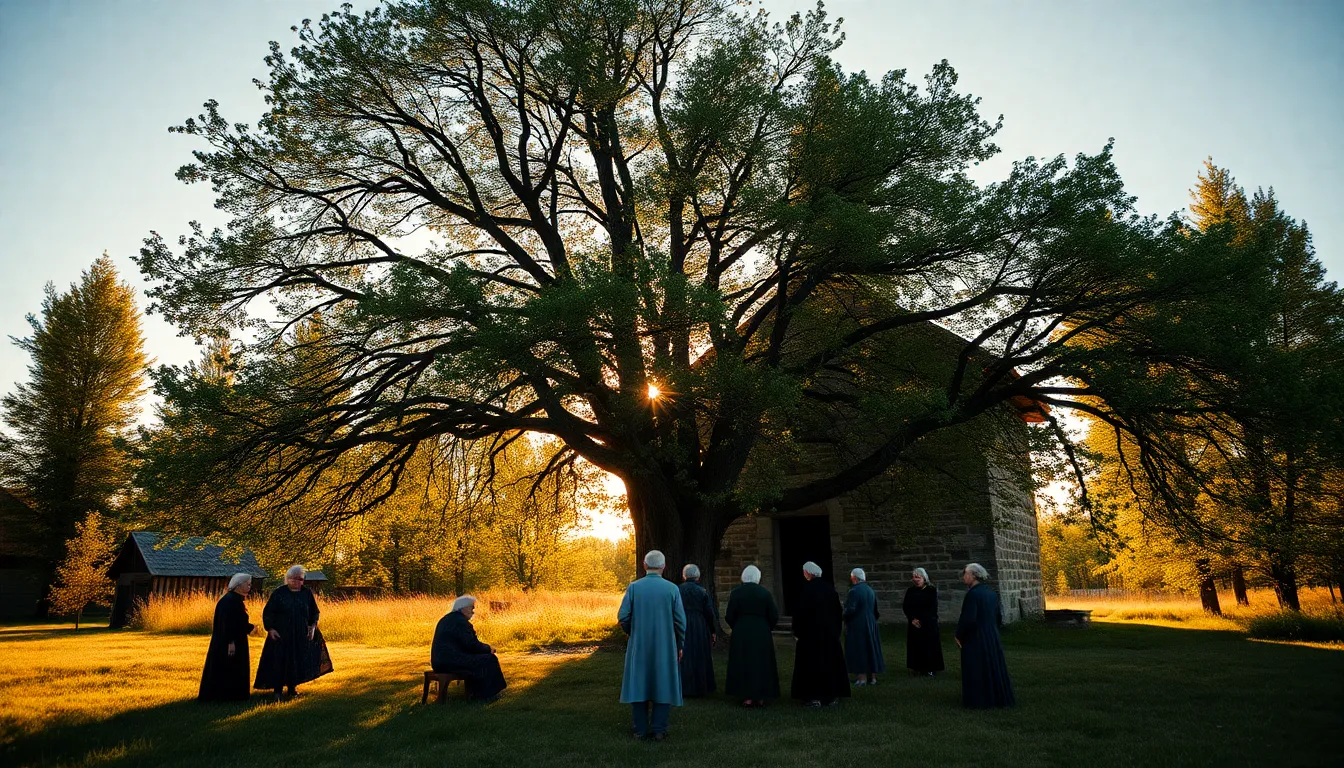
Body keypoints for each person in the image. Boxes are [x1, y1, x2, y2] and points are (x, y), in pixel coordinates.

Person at [617, 550, 686, 741]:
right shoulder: (672, 589)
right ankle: (659, 730)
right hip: (665, 644)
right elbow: (681, 621)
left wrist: (632, 631)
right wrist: (680, 643)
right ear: (664, 566)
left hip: (639, 643)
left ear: (644, 565)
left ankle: (639, 730)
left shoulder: (634, 588)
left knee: (639, 683)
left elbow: (623, 616)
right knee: (663, 682)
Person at [254, 565, 333, 702]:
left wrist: (312, 627)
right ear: (288, 579)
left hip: (300, 634)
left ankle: (292, 689)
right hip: (281, 635)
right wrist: (270, 629)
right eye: (295, 579)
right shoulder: (279, 593)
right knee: (279, 661)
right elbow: (268, 612)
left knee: (296, 660)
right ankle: (277, 691)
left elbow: (314, 612)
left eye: (301, 579)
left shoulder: (306, 593)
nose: (298, 582)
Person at [955, 563, 1015, 708]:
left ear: (973, 575)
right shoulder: (991, 593)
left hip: (976, 636)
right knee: (992, 665)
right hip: (991, 634)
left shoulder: (973, 594)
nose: (963, 576)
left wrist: (959, 634)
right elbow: (998, 616)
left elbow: (969, 619)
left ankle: (978, 700)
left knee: (976, 666)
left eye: (965, 573)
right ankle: (996, 697)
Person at [790, 561, 850, 707]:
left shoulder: (805, 591)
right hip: (828, 635)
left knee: (811, 666)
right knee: (829, 664)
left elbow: (799, 614)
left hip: (810, 636)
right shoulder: (830, 590)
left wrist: (797, 632)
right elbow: (838, 613)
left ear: (807, 573)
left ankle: (813, 697)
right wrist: (836, 631)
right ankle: (831, 696)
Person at [431, 595, 507, 701]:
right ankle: (487, 694)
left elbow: (466, 644)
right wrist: (488, 648)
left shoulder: (447, 619)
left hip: (440, 661)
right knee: (490, 659)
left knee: (480, 659)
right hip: (450, 662)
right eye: (471, 608)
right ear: (463, 608)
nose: (473, 611)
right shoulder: (461, 622)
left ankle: (476, 692)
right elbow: (472, 645)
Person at [724, 564, 780, 708]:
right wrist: (767, 627)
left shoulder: (736, 593)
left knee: (743, 662)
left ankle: (747, 696)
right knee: (761, 663)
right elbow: (773, 614)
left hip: (742, 630)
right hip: (761, 630)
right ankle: (760, 696)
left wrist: (737, 626)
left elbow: (729, 615)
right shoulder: (764, 593)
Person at [198, 573, 256, 702]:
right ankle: (229, 696)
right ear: (238, 586)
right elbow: (229, 624)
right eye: (247, 584)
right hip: (231, 640)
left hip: (231, 639)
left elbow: (238, 622)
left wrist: (249, 627)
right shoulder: (231, 601)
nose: (249, 586)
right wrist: (231, 642)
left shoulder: (232, 600)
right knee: (230, 666)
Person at [677, 564, 719, 697]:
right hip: (699, 624)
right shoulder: (702, 591)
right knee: (700, 654)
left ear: (684, 576)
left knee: (683, 654)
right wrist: (712, 630)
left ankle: (683, 687)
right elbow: (709, 612)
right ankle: (701, 687)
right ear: (698, 576)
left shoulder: (677, 590)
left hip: (681, 623)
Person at [843, 567, 884, 686]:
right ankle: (873, 677)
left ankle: (862, 678)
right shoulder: (870, 590)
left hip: (858, 624)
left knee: (859, 649)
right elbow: (875, 610)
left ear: (854, 578)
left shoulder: (854, 591)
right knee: (871, 648)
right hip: (871, 622)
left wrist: (843, 613)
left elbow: (851, 609)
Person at [903, 567, 945, 676]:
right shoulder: (911, 591)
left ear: (924, 578)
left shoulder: (931, 590)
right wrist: (912, 619)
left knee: (929, 646)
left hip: (928, 623)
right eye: (914, 577)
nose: (915, 579)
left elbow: (932, 608)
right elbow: (906, 606)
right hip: (914, 623)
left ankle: (930, 668)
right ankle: (917, 668)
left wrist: (922, 620)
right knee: (915, 646)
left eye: (918, 577)